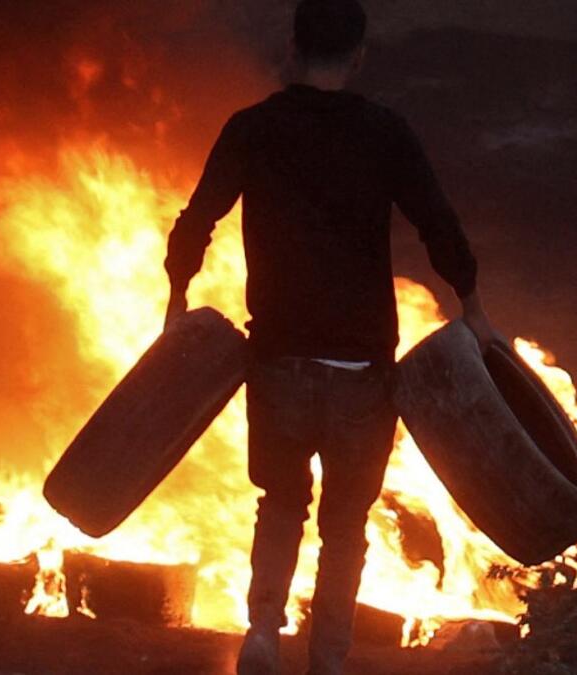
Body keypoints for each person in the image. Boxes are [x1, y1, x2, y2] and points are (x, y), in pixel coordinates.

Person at [162, 0, 496, 673]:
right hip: (361, 368)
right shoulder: (385, 132)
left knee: (280, 501)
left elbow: (198, 218)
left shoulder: (253, 129)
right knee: (345, 524)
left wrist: (177, 296)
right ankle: (330, 658)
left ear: (292, 46)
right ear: (360, 54)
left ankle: (262, 629)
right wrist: (473, 304)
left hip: (280, 357)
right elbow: (437, 220)